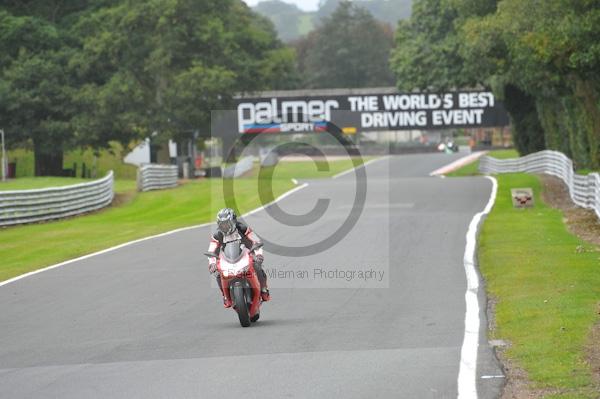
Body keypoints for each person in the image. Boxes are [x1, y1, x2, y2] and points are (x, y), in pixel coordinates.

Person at [207, 208, 270, 307]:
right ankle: (225, 296)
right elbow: (211, 250)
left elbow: (256, 241)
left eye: (227, 223)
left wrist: (258, 254)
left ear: (233, 221)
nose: (225, 226)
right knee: (218, 274)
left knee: (257, 266)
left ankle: (263, 289)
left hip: (247, 253)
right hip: (228, 258)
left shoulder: (243, 228)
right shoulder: (217, 235)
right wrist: (212, 263)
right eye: (222, 224)